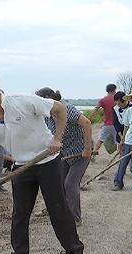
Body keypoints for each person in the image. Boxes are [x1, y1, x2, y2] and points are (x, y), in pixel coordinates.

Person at [0, 71, 84, 254]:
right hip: (22, 166)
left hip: (47, 160)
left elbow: (60, 109)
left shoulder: (23, 101)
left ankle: (75, 252)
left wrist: (57, 139)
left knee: (58, 209)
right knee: (19, 213)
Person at [35, 87, 92, 226]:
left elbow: (87, 123)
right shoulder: (47, 114)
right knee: (57, 183)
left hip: (80, 153)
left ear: (49, 101)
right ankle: (55, 209)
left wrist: (87, 148)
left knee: (70, 183)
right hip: (64, 154)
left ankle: (74, 217)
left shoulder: (67, 109)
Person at [90, 83, 117, 154]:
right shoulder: (117, 99)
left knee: (100, 140)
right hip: (117, 124)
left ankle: (94, 153)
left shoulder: (103, 100)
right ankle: (122, 156)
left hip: (107, 124)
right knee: (119, 141)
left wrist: (90, 118)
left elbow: (96, 109)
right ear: (114, 90)